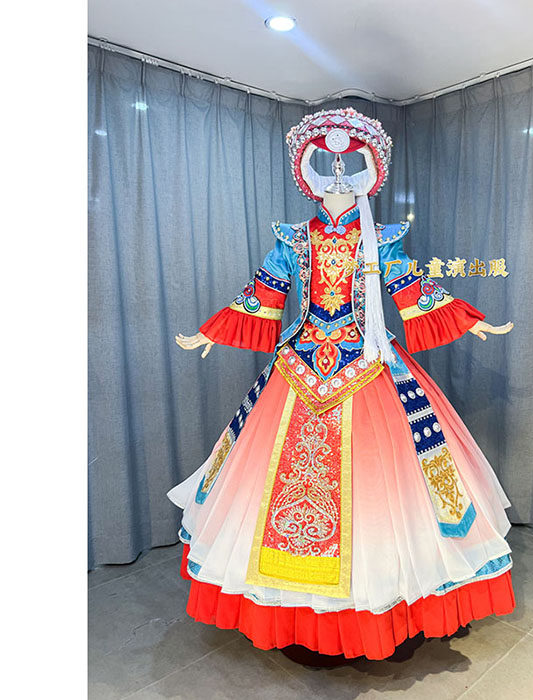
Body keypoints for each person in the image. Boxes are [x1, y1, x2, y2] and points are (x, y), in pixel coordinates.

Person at [169, 107, 515, 661]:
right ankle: (301, 611)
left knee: (388, 486)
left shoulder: (381, 239)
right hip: (301, 365)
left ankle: (382, 598)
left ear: (367, 177)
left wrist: (466, 320)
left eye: (349, 171)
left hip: (369, 362)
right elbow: (263, 293)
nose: (337, 181)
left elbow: (410, 288)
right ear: (308, 180)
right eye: (325, 172)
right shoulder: (293, 239)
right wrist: (215, 330)